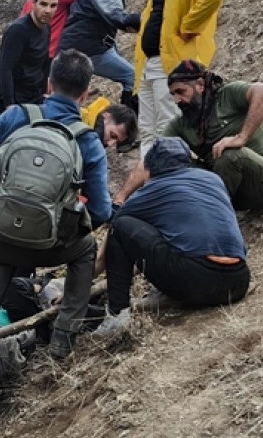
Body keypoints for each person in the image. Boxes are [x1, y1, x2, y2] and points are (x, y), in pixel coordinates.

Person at [0, 49, 112, 435]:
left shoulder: (15, 116)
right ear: (87, 94)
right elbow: (103, 211)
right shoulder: (88, 140)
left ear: (48, 84)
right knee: (86, 251)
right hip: (48, 243)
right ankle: (63, 335)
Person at [95, 137, 249, 332]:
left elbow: (114, 236)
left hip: (196, 282)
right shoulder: (212, 179)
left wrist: (77, 287)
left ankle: (117, 316)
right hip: (238, 281)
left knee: (121, 226)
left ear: (149, 170)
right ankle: (167, 294)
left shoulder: (152, 190)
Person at [133, 0, 224, 155]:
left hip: (171, 63)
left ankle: (170, 179)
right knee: (147, 128)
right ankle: (149, 180)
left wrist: (189, 26)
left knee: (167, 126)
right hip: (148, 64)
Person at [160, 60, 263, 210]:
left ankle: (212, 215)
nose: (177, 100)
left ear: (200, 85)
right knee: (175, 164)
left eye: (181, 92)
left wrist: (241, 137)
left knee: (230, 155)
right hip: (230, 191)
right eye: (173, 94)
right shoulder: (181, 123)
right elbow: (157, 154)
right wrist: (125, 197)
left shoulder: (228, 95)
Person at [57, 0, 140, 105]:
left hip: (81, 44)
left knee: (68, 95)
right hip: (86, 48)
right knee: (133, 77)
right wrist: (139, 21)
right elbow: (115, 16)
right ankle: (126, 123)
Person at [0, 0, 59, 119]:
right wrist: (9, 105)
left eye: (53, 5)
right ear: (33, 3)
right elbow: (5, 69)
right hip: (9, 98)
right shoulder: (18, 30)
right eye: (43, 4)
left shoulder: (46, 28)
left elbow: (43, 62)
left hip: (32, 95)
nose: (48, 10)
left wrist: (44, 93)